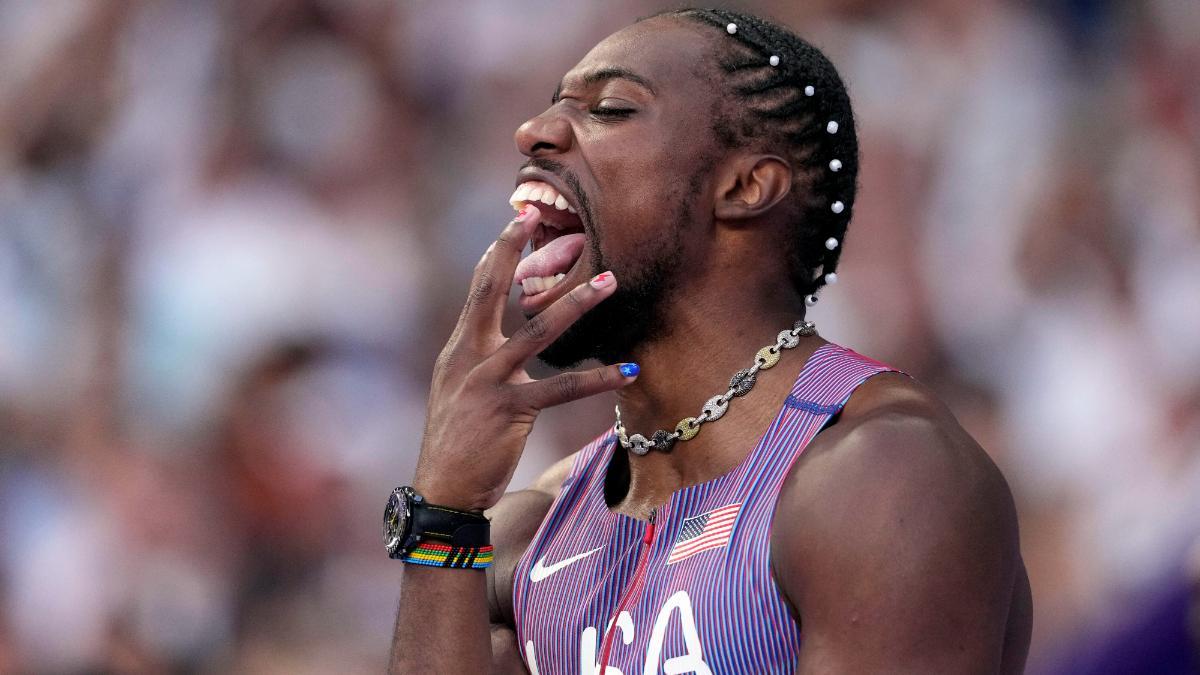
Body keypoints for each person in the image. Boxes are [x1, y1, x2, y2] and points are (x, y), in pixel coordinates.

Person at [386, 8, 1031, 674]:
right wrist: (443, 511)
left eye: (608, 109)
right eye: (556, 107)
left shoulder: (886, 477)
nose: (535, 131)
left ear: (745, 186)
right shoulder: (530, 533)